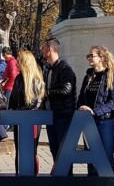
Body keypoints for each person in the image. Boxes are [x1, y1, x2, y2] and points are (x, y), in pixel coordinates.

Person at [77, 46, 114, 175]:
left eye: (92, 55)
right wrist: (80, 108)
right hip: (88, 122)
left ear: (101, 58)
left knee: (105, 160)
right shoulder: (88, 76)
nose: (89, 58)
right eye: (88, 56)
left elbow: (113, 101)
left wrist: (95, 111)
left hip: (104, 123)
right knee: (91, 159)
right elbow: (81, 96)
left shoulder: (111, 76)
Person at [40, 37, 77, 166]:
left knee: (64, 151)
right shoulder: (48, 68)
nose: (41, 50)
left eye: (43, 48)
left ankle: (67, 178)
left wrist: (47, 92)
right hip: (51, 114)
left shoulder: (65, 68)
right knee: (54, 149)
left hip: (63, 115)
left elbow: (66, 90)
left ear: (50, 50)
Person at [8, 49, 44, 174]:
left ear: (25, 63)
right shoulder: (19, 77)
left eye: (19, 61)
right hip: (19, 119)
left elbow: (32, 103)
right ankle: (19, 174)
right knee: (20, 150)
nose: (16, 64)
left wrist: (15, 112)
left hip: (31, 120)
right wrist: (11, 110)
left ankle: (33, 176)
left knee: (29, 151)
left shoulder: (34, 79)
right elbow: (12, 98)